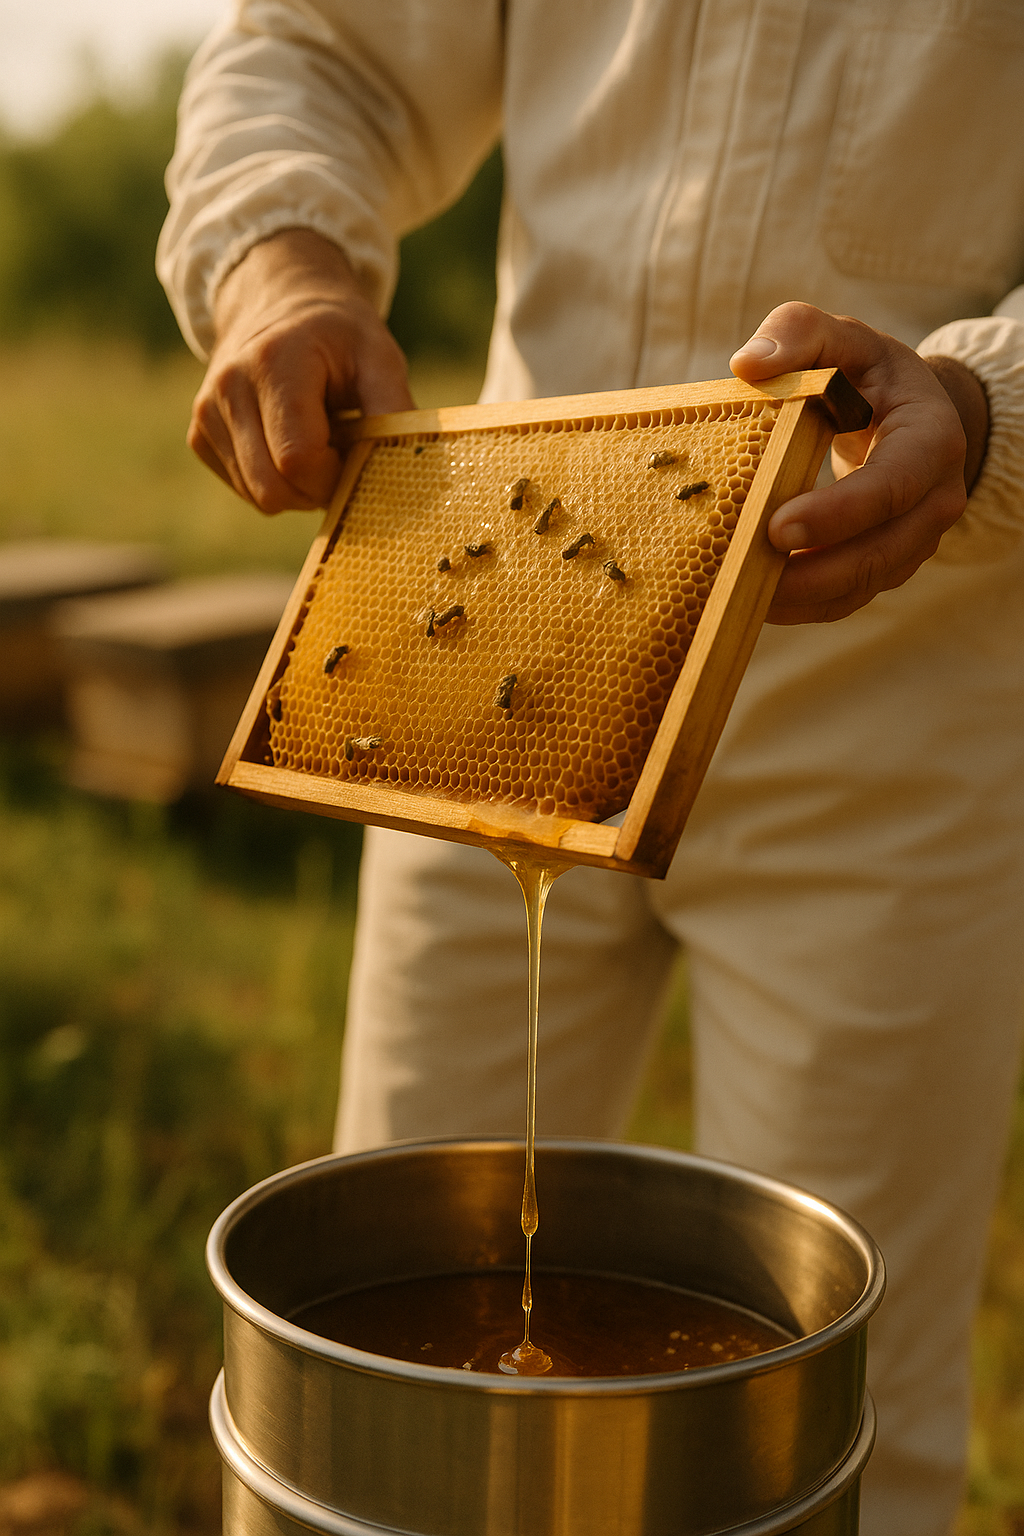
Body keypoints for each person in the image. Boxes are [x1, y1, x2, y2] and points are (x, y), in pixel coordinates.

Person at [158, 7, 1024, 1532]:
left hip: (906, 672)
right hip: (487, 654)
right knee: (387, 1339)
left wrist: (982, 403)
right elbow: (324, 44)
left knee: (838, 1426)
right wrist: (280, 263)